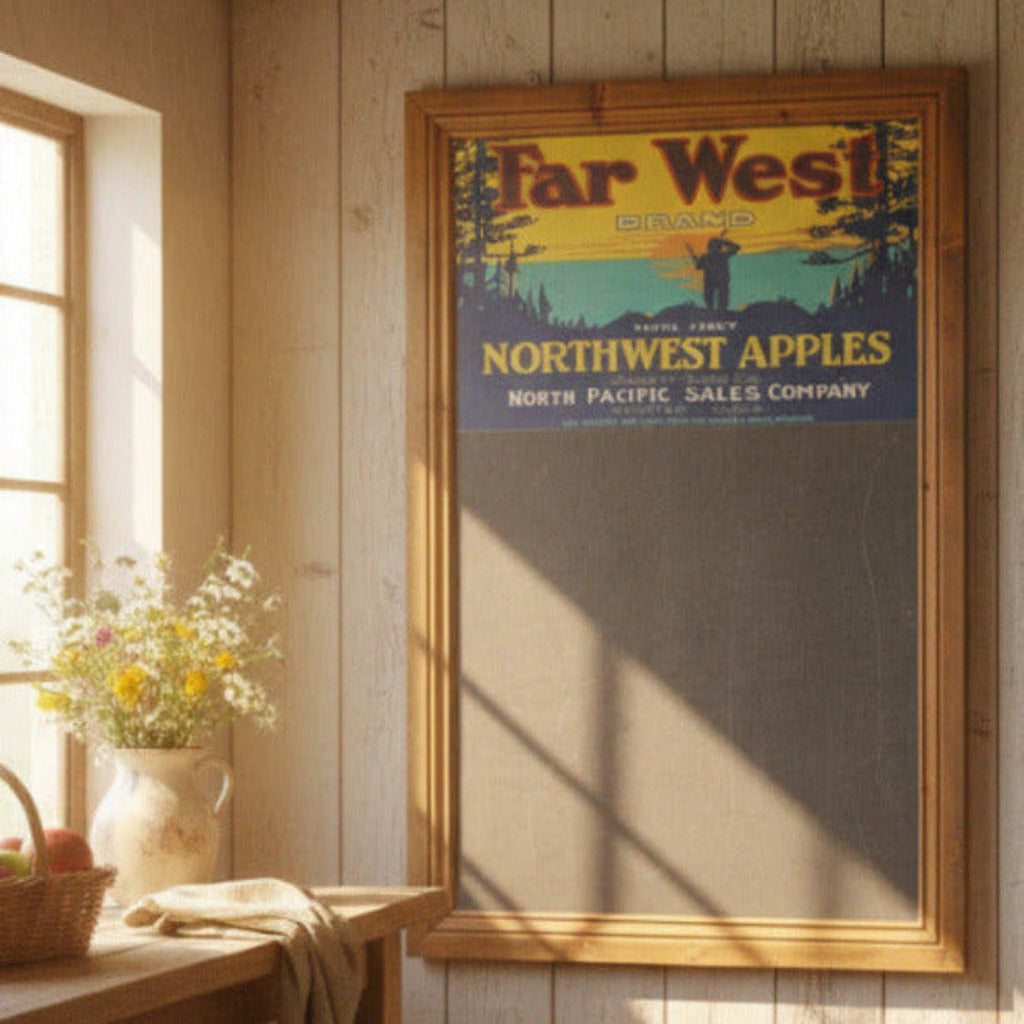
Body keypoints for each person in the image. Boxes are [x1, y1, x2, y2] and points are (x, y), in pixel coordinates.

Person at [690, 232, 741, 311]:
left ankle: (718, 312)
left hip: (717, 281)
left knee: (716, 302)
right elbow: (736, 248)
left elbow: (698, 266)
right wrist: (725, 242)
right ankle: (718, 312)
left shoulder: (712, 256)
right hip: (716, 281)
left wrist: (724, 242)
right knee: (715, 302)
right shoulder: (722, 255)